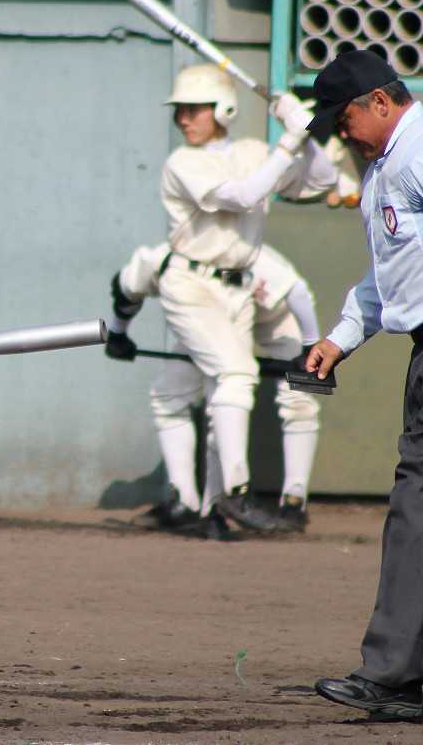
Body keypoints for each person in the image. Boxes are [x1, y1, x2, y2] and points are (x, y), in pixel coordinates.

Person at [153, 64, 334, 534]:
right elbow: (241, 195)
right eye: (181, 111)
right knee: (236, 374)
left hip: (239, 286)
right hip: (192, 285)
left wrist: (306, 133)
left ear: (225, 110)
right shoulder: (183, 162)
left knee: (226, 395)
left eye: (194, 109)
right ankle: (236, 493)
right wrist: (288, 143)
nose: (184, 120)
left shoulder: (256, 151)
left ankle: (214, 510)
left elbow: (321, 182)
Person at [304, 51, 423, 720]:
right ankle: (398, 672)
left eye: (345, 116)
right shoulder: (387, 166)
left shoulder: (415, 152)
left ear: (381, 100)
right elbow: (388, 277)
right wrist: (340, 336)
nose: (342, 130)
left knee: (417, 505)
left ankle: (394, 672)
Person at [107, 242, 322, 539]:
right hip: (216, 314)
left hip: (282, 313)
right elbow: (124, 291)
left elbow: (296, 292)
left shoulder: (243, 255)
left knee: (297, 400)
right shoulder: (161, 261)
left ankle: (293, 503)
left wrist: (311, 345)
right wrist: (117, 333)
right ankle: (186, 501)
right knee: (171, 394)